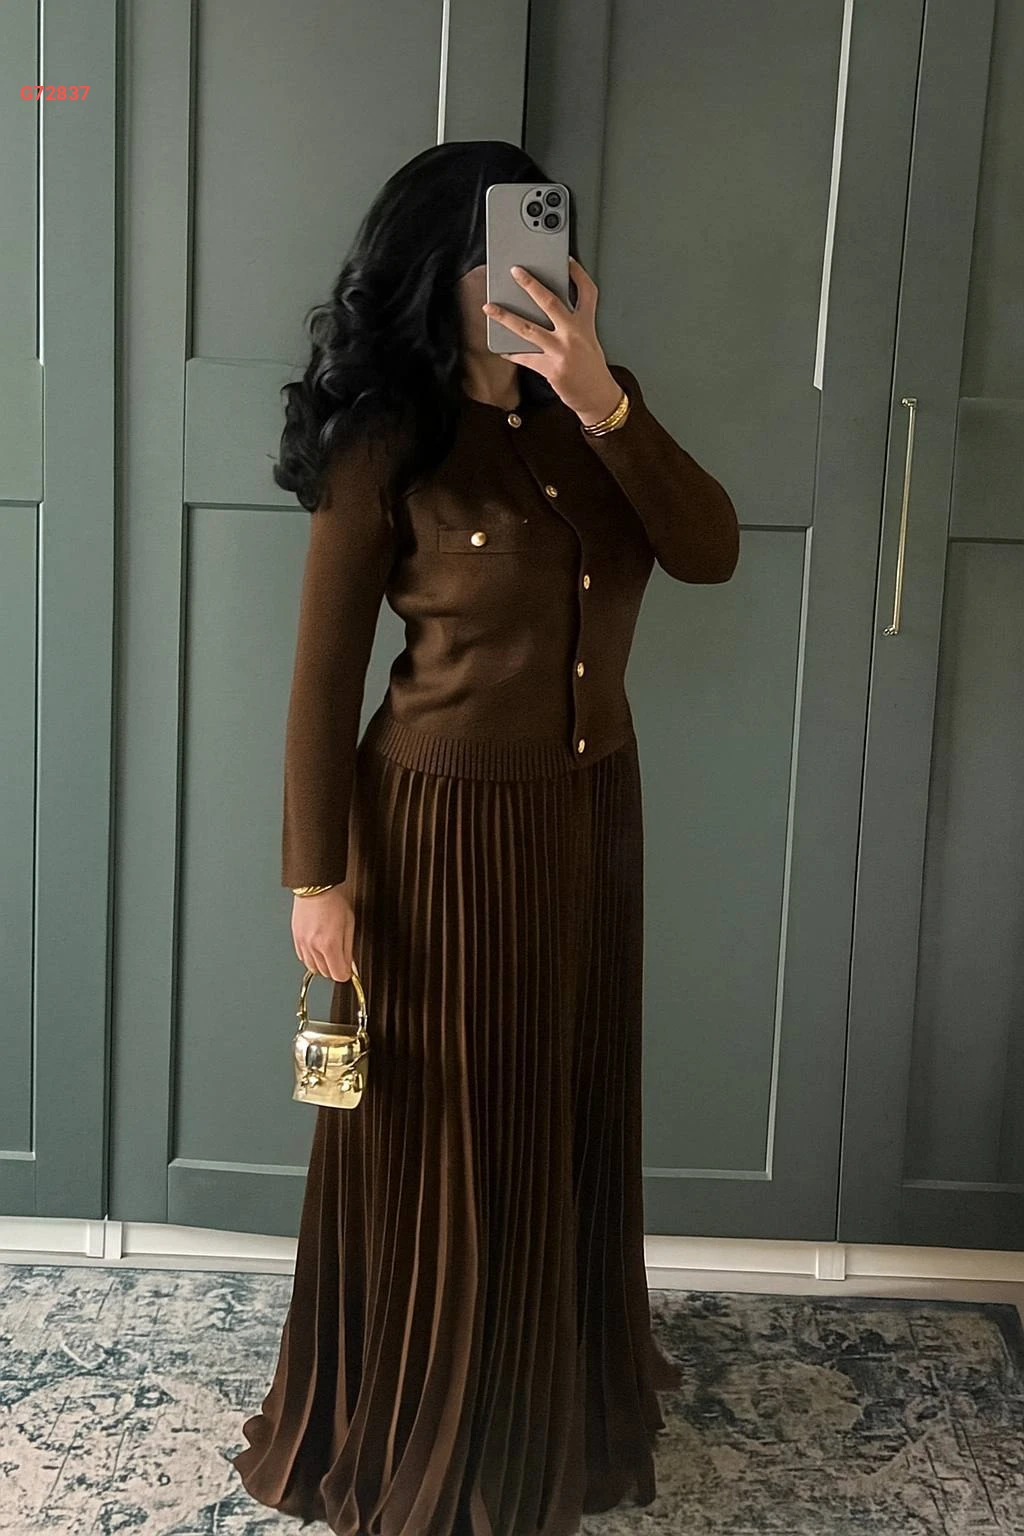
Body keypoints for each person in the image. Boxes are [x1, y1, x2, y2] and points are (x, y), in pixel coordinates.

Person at [231, 139, 739, 1536]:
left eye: (537, 239)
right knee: (451, 1133)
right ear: (436, 273)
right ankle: (437, 1428)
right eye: (486, 251)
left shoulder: (599, 413)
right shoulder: (385, 440)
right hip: (438, 832)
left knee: (562, 1104)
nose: (518, 272)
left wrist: (602, 394)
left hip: (589, 819)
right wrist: (317, 879)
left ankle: (556, 1396)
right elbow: (323, 681)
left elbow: (709, 549)